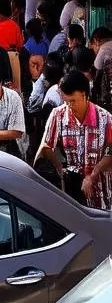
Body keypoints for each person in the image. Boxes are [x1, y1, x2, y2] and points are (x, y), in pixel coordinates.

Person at [35, 71, 112, 209]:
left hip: (102, 194)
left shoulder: (106, 119)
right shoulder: (58, 115)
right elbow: (46, 146)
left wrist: (92, 175)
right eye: (66, 101)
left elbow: (110, 154)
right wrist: (59, 169)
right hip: (71, 194)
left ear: (85, 95)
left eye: (73, 101)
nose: (70, 106)